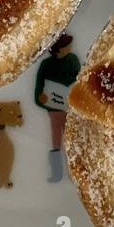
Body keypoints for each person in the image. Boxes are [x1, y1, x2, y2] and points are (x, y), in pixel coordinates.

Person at [33, 33, 80, 182]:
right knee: (56, 139)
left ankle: (74, 170)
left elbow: (79, 78)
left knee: (71, 136)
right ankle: (58, 172)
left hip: (71, 105)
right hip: (54, 107)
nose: (70, 48)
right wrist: (41, 99)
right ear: (58, 50)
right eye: (67, 47)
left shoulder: (73, 60)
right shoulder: (46, 65)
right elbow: (39, 88)